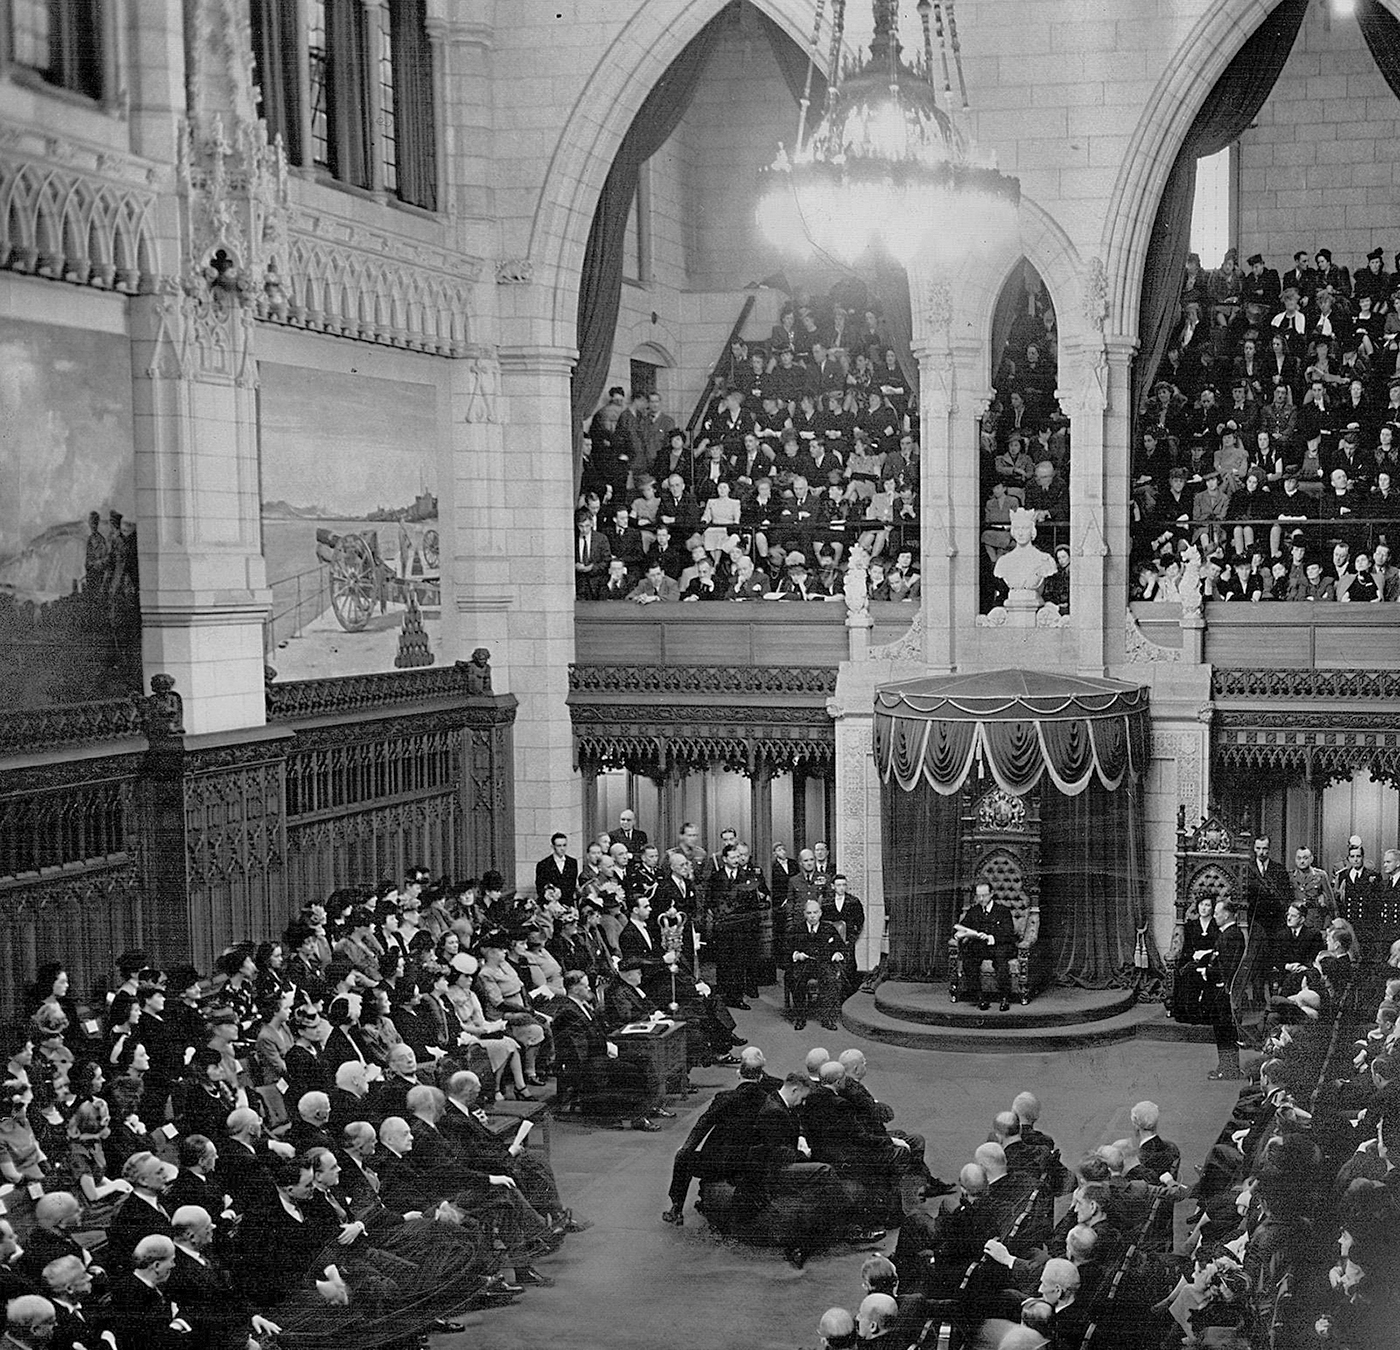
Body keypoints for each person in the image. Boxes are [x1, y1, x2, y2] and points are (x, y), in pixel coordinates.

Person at [662, 1046, 778, 1226]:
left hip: (720, 1163)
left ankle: (676, 1208)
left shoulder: (725, 1098)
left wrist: (686, 1149)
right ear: (761, 1076)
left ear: (739, 1073)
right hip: (750, 1163)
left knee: (684, 1159)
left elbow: (704, 1124)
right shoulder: (768, 1099)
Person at [955, 881, 1016, 1012]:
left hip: (1000, 946)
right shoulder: (974, 911)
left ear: (991, 894)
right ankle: (980, 997)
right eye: (978, 896)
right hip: (981, 946)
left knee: (1000, 961)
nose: (981, 899)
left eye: (984, 895)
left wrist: (991, 937)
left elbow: (1009, 933)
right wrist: (960, 934)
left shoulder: (1003, 911)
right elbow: (962, 927)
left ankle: (1004, 997)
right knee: (969, 960)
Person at [788, 899, 846, 1032]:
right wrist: (796, 955)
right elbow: (787, 949)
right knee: (795, 979)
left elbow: (841, 947)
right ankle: (800, 1017)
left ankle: (826, 1018)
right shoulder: (797, 929)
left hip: (823, 963)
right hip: (804, 964)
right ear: (804, 914)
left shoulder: (829, 928)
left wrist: (837, 953)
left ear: (820, 913)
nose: (812, 916)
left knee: (831, 980)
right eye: (809, 913)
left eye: (815, 912)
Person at [1207, 899, 1246, 1080]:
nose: (1214, 916)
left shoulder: (1230, 936)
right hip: (1224, 990)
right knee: (1224, 1031)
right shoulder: (1231, 934)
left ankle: (1228, 1069)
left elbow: (1226, 967)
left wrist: (1207, 972)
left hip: (1223, 991)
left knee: (1224, 1031)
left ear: (1226, 914)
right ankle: (1227, 1067)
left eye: (1216, 912)